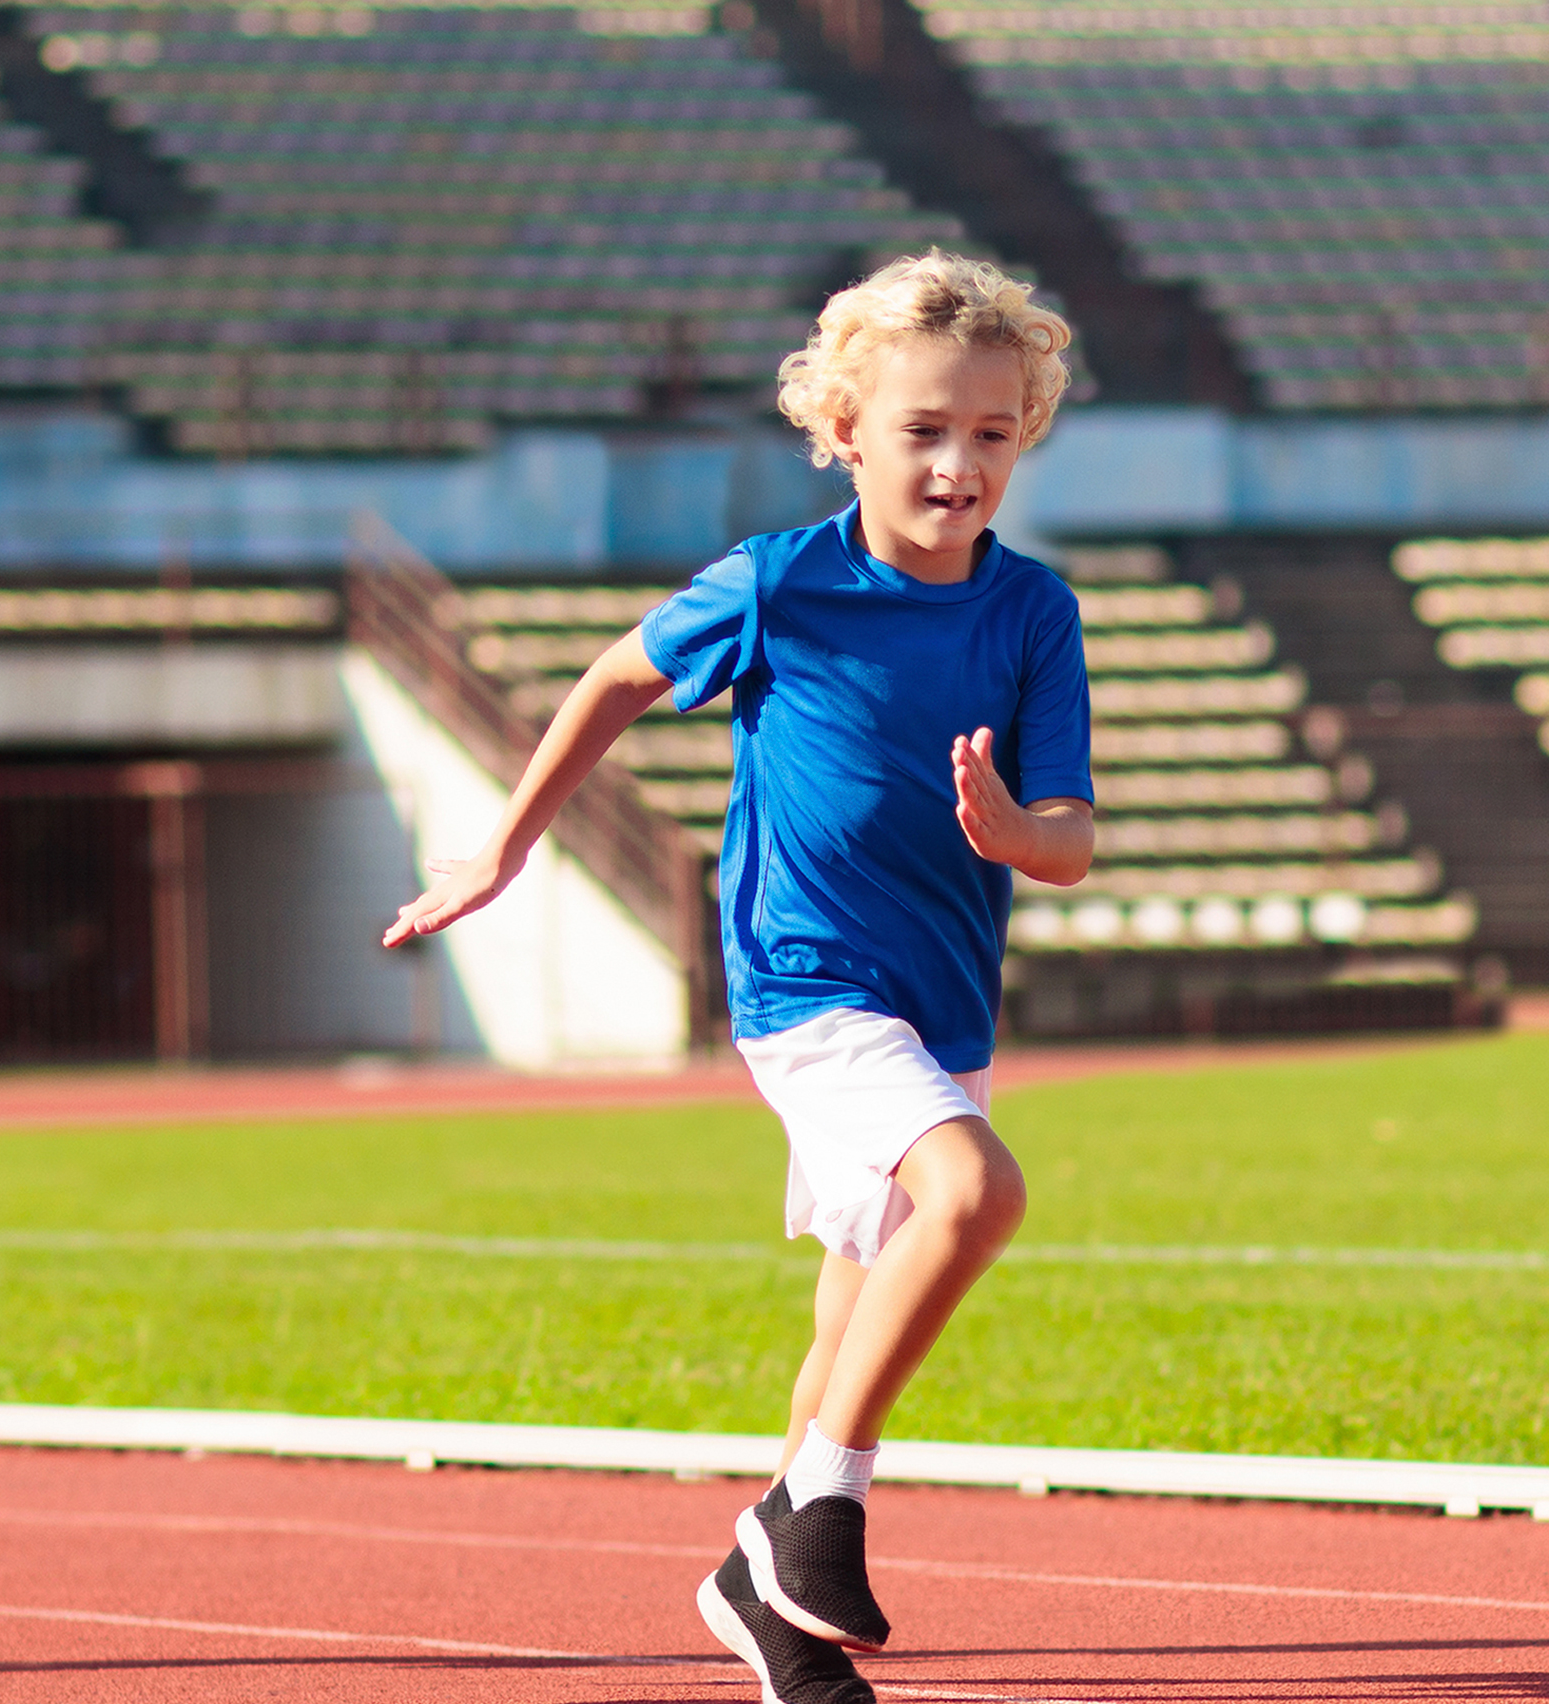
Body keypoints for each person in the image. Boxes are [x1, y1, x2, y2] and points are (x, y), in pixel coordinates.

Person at [382, 249, 1095, 1704]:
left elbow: (1070, 840)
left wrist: (1015, 831)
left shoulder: (1034, 613)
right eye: (923, 430)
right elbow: (616, 680)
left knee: (851, 1316)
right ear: (844, 430)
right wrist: (505, 847)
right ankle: (813, 1511)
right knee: (975, 1194)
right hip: (805, 986)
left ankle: (769, 1610)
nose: (958, 466)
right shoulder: (779, 584)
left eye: (992, 432)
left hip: (944, 1003)